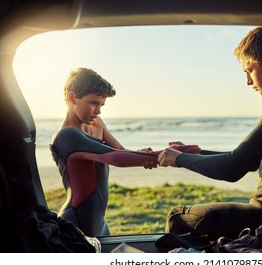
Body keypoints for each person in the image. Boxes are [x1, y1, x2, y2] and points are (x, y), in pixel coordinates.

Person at [158, 27, 262, 240]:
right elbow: (249, 160)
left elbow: (233, 168)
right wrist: (198, 152)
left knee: (178, 217)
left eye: (249, 70)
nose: (248, 81)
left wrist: (180, 159)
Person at [50, 67, 201, 237]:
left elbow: (120, 150)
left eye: (101, 105)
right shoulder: (67, 136)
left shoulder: (96, 124)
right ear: (72, 98)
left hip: (99, 222)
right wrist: (171, 155)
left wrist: (142, 154)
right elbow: (117, 158)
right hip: (76, 224)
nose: (98, 111)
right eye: (93, 103)